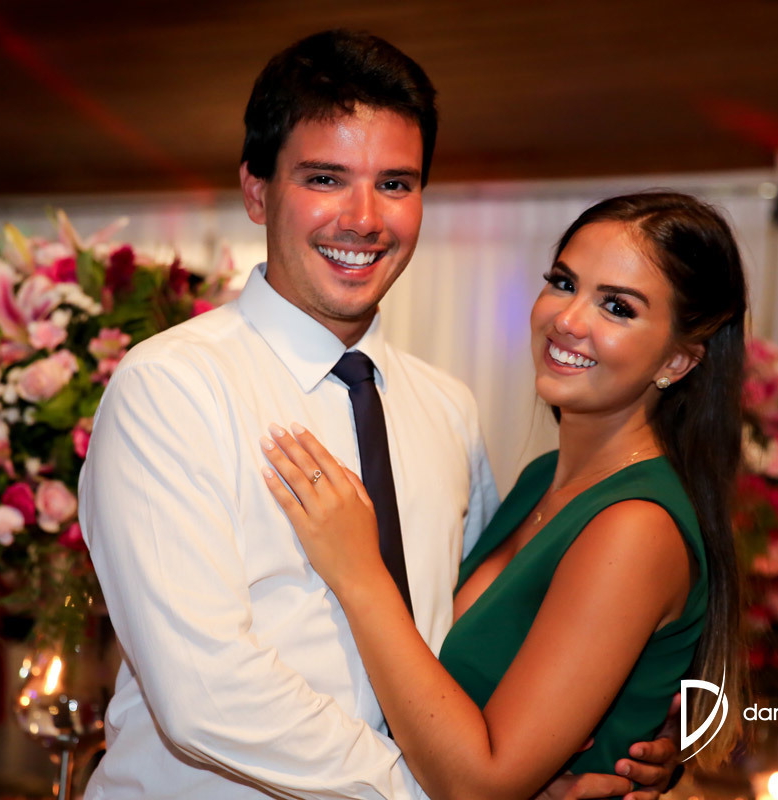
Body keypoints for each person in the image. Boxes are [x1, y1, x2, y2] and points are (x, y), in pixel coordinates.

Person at [79, 31, 679, 799]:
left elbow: (480, 640)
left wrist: (632, 735)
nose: (364, 220)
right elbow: (206, 695)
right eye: (326, 179)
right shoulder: (172, 388)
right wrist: (444, 792)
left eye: (395, 184)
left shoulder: (445, 407)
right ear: (258, 192)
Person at [261, 192, 748, 799]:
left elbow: (480, 784)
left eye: (617, 307)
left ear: (677, 360)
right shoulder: (542, 480)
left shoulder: (635, 525)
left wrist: (359, 574)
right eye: (563, 283)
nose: (568, 320)